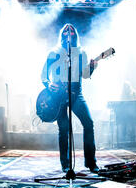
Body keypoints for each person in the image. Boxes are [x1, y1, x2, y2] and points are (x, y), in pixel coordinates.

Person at [41, 23, 99, 173]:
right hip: (58, 94)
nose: (68, 32)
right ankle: (65, 165)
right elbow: (43, 75)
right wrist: (48, 85)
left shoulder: (81, 52)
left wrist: (92, 67)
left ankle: (91, 162)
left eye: (71, 30)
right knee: (64, 128)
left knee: (89, 123)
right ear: (62, 35)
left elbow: (85, 75)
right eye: (65, 30)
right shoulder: (54, 52)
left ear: (75, 35)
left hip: (76, 92)